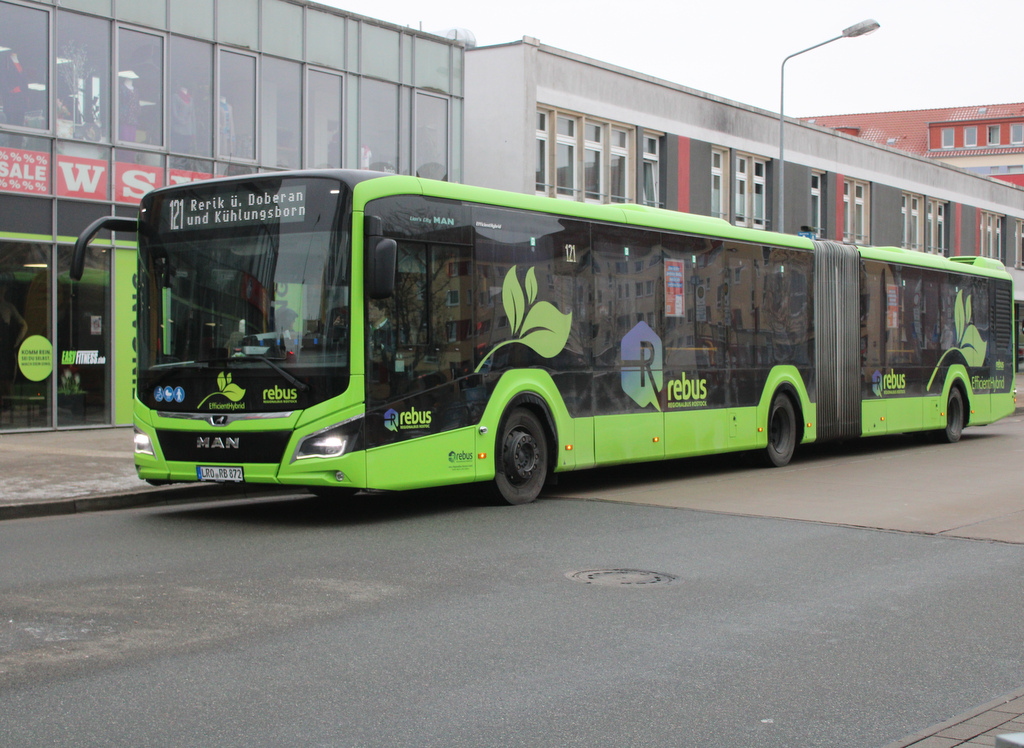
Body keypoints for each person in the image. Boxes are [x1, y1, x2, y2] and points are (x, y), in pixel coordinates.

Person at [0, 278, 28, 407]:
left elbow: (23, 325)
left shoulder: (8, 307)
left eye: (3, 288)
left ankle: (9, 406)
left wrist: (15, 342)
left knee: (7, 380)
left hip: (5, 350)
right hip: (6, 349)